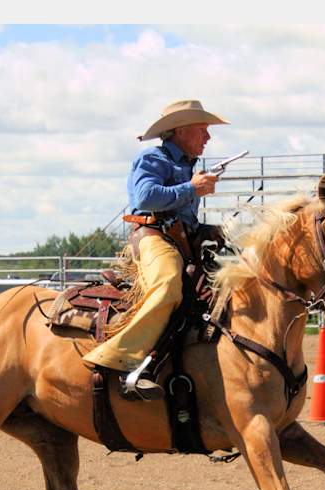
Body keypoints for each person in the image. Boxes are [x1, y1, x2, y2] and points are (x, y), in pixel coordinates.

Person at [83, 100, 228, 401]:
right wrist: (192, 188)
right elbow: (145, 197)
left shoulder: (186, 166)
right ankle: (125, 363)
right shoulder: (153, 157)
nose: (208, 137)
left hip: (180, 240)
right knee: (168, 282)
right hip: (153, 237)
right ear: (181, 130)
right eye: (202, 129)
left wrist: (206, 230)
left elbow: (180, 216)